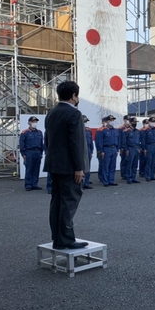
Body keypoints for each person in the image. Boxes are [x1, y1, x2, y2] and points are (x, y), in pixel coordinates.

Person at [43, 81, 88, 250]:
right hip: (70, 166)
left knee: (57, 202)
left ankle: (58, 237)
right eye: (77, 95)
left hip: (55, 164)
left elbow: (48, 140)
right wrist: (79, 167)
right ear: (73, 96)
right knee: (69, 202)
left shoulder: (52, 113)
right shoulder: (74, 114)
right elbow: (76, 143)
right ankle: (66, 239)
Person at [20, 116, 45, 191]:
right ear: (29, 123)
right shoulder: (25, 132)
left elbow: (41, 143)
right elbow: (22, 144)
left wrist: (41, 152)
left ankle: (34, 184)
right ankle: (28, 185)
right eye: (33, 121)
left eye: (36, 122)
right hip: (29, 152)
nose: (35, 123)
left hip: (37, 152)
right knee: (29, 169)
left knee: (36, 169)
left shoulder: (39, 132)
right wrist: (23, 154)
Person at [97, 114, 119, 186]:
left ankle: (111, 180)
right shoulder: (103, 130)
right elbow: (99, 141)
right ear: (107, 121)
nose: (112, 121)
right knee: (105, 166)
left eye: (113, 120)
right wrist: (101, 151)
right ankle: (105, 181)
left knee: (112, 166)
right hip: (106, 149)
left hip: (114, 149)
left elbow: (118, 140)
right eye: (110, 120)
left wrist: (117, 149)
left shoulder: (115, 130)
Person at [121, 117, 141, 184]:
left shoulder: (137, 131)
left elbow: (139, 140)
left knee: (135, 164)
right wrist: (126, 150)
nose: (135, 123)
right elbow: (124, 142)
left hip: (136, 148)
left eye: (136, 122)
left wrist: (139, 148)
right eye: (133, 122)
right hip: (130, 148)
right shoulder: (126, 131)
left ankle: (133, 177)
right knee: (129, 164)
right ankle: (129, 178)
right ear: (130, 123)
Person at [142, 116, 155, 181]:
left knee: (154, 162)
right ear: (149, 122)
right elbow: (143, 140)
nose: (153, 123)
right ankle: (148, 176)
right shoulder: (146, 130)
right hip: (149, 146)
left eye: (154, 122)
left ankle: (152, 175)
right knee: (148, 162)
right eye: (152, 122)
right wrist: (144, 149)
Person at [94, 116, 109, 185]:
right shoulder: (100, 130)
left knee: (105, 165)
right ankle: (101, 177)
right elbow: (98, 142)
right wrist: (100, 151)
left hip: (108, 149)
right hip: (102, 149)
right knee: (102, 164)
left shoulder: (110, 130)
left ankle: (105, 177)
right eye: (106, 121)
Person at [83, 115, 94, 190]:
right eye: (84, 122)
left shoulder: (88, 130)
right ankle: (81, 183)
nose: (86, 123)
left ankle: (86, 182)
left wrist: (92, 151)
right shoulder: (78, 130)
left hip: (88, 150)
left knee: (88, 167)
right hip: (82, 151)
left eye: (86, 121)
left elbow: (91, 142)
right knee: (82, 167)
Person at [118, 114, 131, 181]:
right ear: (124, 120)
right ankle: (123, 174)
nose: (128, 121)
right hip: (123, 147)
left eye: (129, 120)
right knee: (123, 160)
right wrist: (120, 147)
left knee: (128, 161)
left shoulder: (130, 128)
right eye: (127, 120)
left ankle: (128, 173)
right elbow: (119, 138)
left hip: (129, 147)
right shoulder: (121, 128)